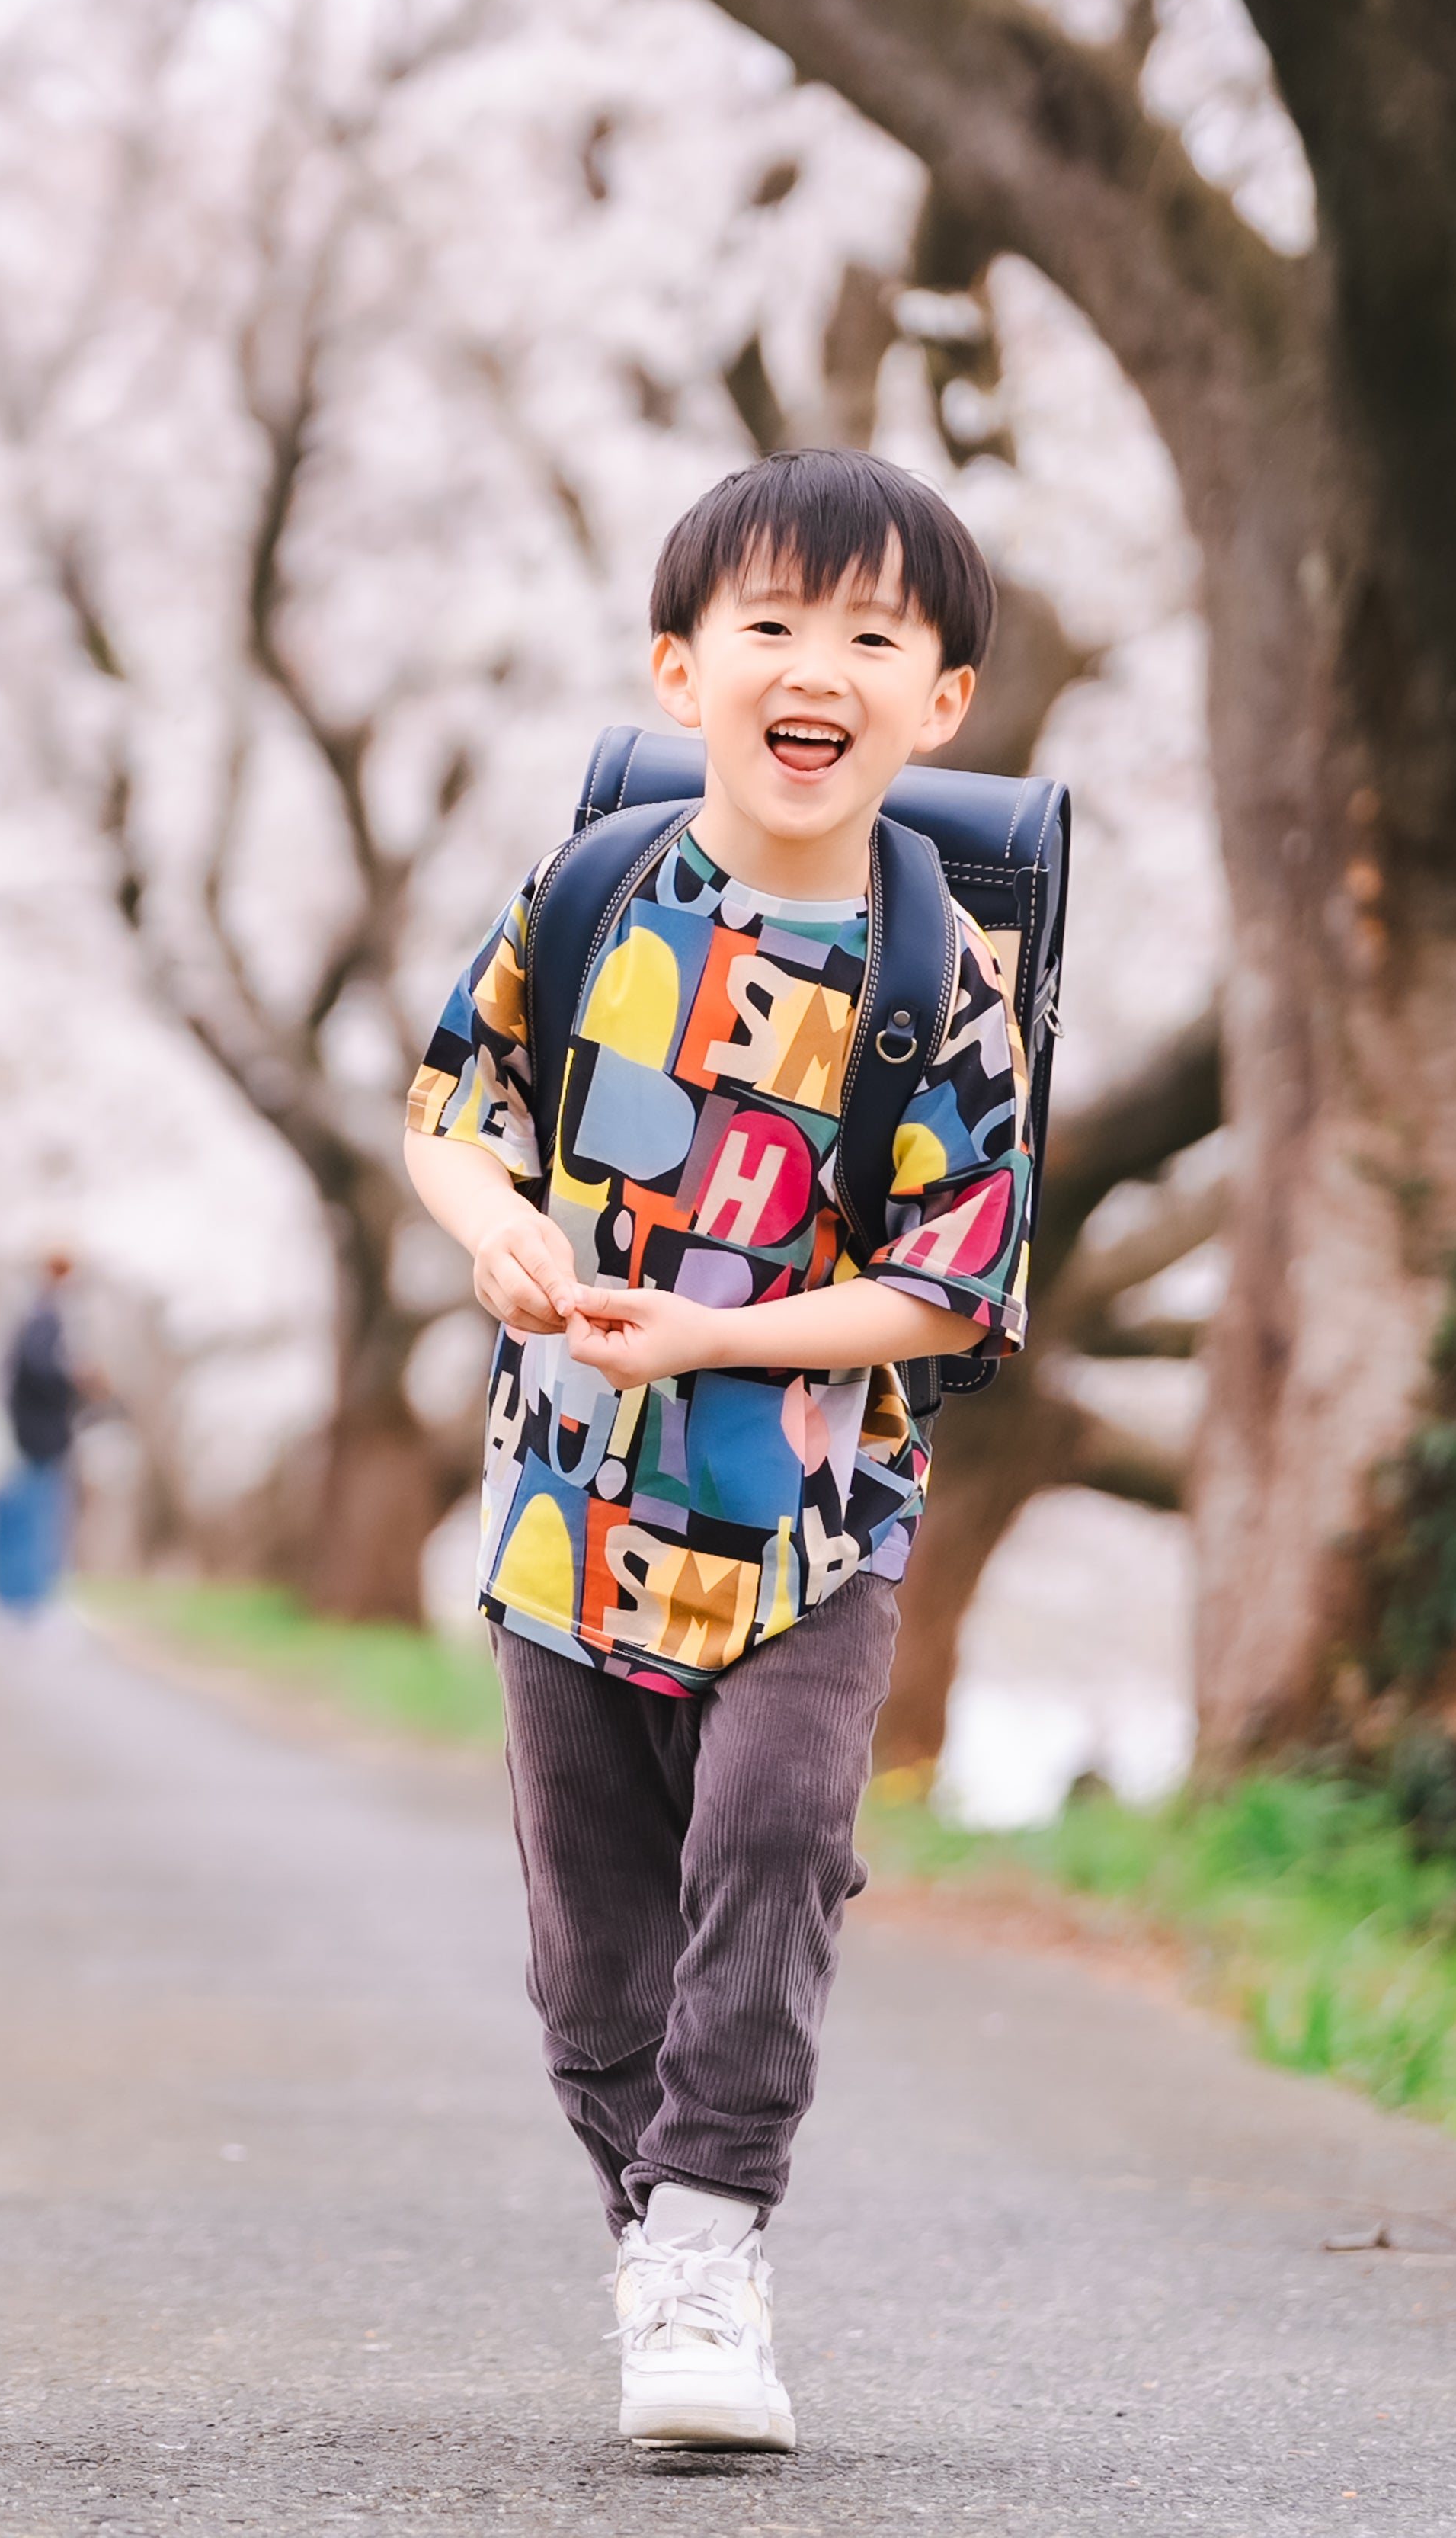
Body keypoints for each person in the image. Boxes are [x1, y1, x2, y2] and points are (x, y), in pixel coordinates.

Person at [399, 450, 1028, 2459]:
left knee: (771, 1845)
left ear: (941, 703)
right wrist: (499, 1228)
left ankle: (709, 2232)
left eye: (872, 637)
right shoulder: (591, 893)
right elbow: (452, 1107)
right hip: (567, 1517)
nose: (814, 667)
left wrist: (719, 1336)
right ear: (681, 669)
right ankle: (658, 2224)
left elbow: (947, 1291)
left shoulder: (943, 983)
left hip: (815, 1527)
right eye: (769, 623)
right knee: (593, 1950)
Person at [0, 1252, 85, 1617]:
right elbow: (39, 1368)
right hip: (39, 1435)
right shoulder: (46, 1316)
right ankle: (26, 1605)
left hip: (29, 1431)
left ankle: (14, 1600)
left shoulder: (31, 1312)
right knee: (35, 1518)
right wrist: (75, 1381)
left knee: (25, 1515)